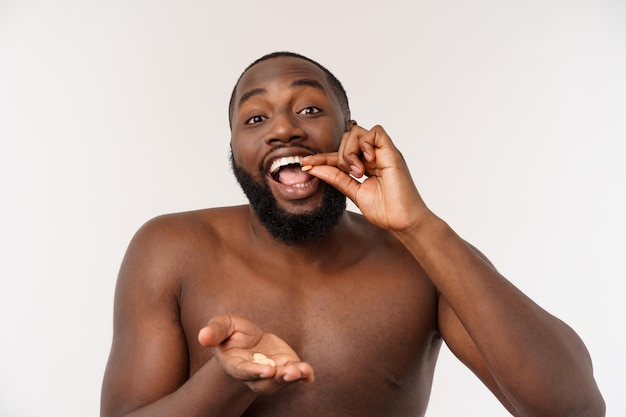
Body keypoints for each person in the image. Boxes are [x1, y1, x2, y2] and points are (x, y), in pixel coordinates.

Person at [100, 51, 605, 417]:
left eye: (310, 109)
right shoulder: (169, 249)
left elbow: (574, 409)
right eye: (255, 117)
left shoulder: (419, 257)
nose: (283, 130)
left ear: (351, 136)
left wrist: (418, 226)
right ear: (235, 151)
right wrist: (228, 381)